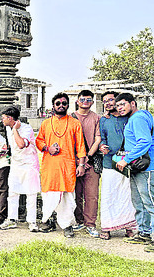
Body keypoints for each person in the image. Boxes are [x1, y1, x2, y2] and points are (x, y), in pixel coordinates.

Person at [115, 93, 154, 252]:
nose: (120, 108)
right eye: (118, 106)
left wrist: (126, 159)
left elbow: (144, 141)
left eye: (123, 104)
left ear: (132, 103)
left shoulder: (138, 118)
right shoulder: (135, 119)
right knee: (139, 202)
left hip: (149, 169)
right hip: (139, 167)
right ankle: (145, 232)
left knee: (152, 203)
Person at [35, 92, 86, 238]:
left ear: (68, 106)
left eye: (64, 103)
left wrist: (81, 165)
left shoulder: (75, 123)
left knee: (67, 196)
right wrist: (47, 148)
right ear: (53, 106)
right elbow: (39, 141)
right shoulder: (45, 123)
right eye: (58, 103)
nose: (61, 105)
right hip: (50, 166)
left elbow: (80, 146)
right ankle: (46, 221)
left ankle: (67, 225)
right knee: (49, 195)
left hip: (67, 166)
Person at [98, 91, 136, 240]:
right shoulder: (104, 120)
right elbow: (102, 137)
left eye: (111, 100)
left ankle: (129, 227)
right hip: (109, 162)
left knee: (127, 195)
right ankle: (107, 227)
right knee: (109, 195)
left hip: (128, 163)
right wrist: (102, 146)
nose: (108, 103)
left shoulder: (130, 117)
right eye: (105, 101)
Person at [0, 107, 41, 232]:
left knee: (31, 193)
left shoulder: (26, 128)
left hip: (29, 164)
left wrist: (15, 130)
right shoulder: (7, 128)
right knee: (13, 192)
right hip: (16, 164)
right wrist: (6, 150)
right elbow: (13, 145)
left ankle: (32, 222)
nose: (2, 120)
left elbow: (21, 144)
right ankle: (12, 220)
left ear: (10, 118)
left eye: (4, 118)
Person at [70, 90, 102, 237]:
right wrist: (78, 160)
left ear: (92, 102)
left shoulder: (96, 118)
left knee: (91, 195)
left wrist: (87, 157)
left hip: (91, 160)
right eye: (82, 99)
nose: (85, 102)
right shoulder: (70, 118)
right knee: (75, 194)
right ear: (77, 101)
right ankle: (79, 220)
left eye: (89, 100)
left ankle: (90, 223)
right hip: (73, 162)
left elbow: (98, 139)